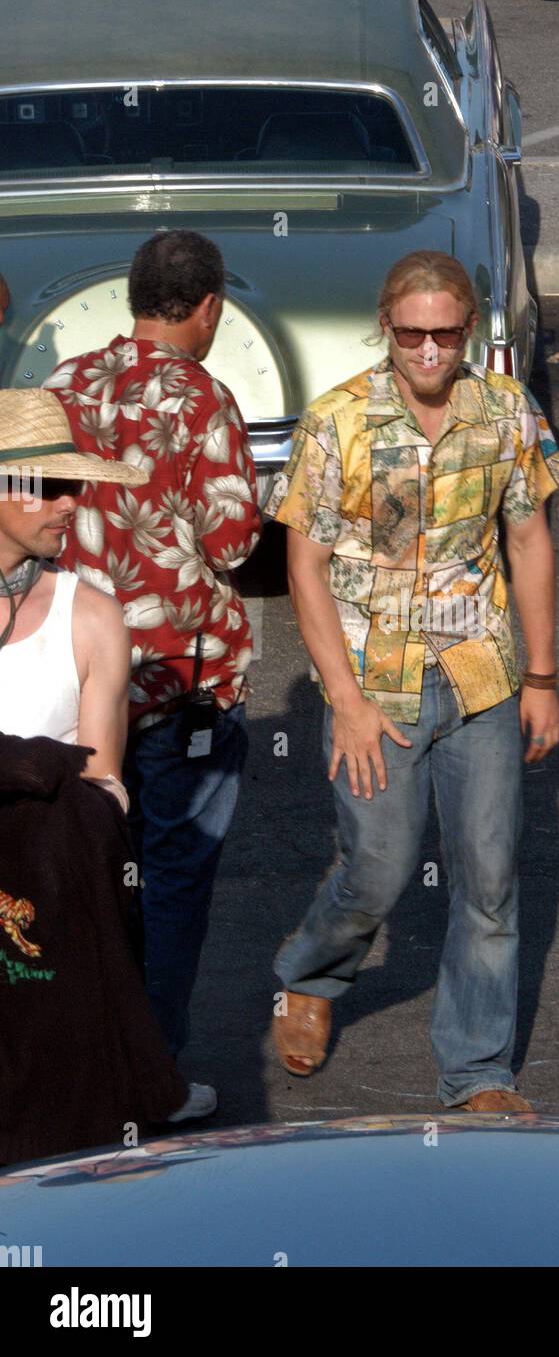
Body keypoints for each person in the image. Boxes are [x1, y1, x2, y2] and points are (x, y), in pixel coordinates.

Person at [265, 251, 559, 1112]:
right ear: (385, 328)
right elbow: (305, 569)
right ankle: (311, 975)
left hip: (482, 679)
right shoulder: (337, 422)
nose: (428, 351)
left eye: (444, 333)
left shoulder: (507, 410)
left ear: (469, 328)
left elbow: (530, 542)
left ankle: (477, 1071)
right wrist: (348, 704)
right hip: (374, 685)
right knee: (379, 868)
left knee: (490, 877)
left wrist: (542, 676)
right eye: (411, 334)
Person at [50, 229, 260, 1059]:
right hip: (180, 677)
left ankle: (92, 1064)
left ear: (134, 300)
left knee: (93, 877)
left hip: (74, 678)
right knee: (174, 877)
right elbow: (233, 540)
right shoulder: (201, 400)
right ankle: (155, 1071)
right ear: (209, 309)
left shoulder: (65, 384)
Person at [0, 389, 214, 1158]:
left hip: (43, 892)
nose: (70, 506)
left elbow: (104, 787)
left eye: (75, 486)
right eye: (50, 487)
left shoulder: (90, 614)